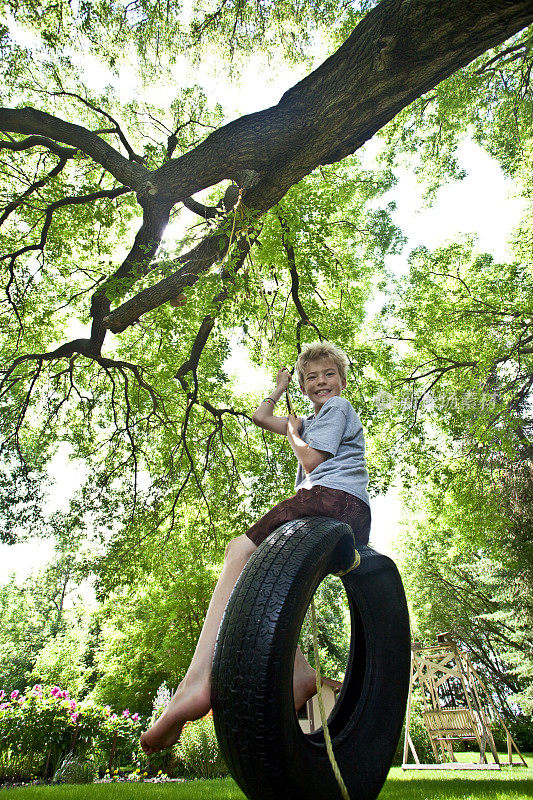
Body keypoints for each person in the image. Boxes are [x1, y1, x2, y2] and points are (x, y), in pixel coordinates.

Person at [140, 341, 371, 755]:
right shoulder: (313, 420)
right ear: (304, 386)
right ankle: (299, 671)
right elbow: (260, 417)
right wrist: (279, 389)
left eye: (328, 374)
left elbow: (315, 461)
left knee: (239, 551)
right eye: (311, 378)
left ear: (341, 379)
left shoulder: (337, 409)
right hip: (338, 505)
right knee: (265, 572)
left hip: (331, 497)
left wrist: (296, 434)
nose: (321, 382)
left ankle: (196, 683)